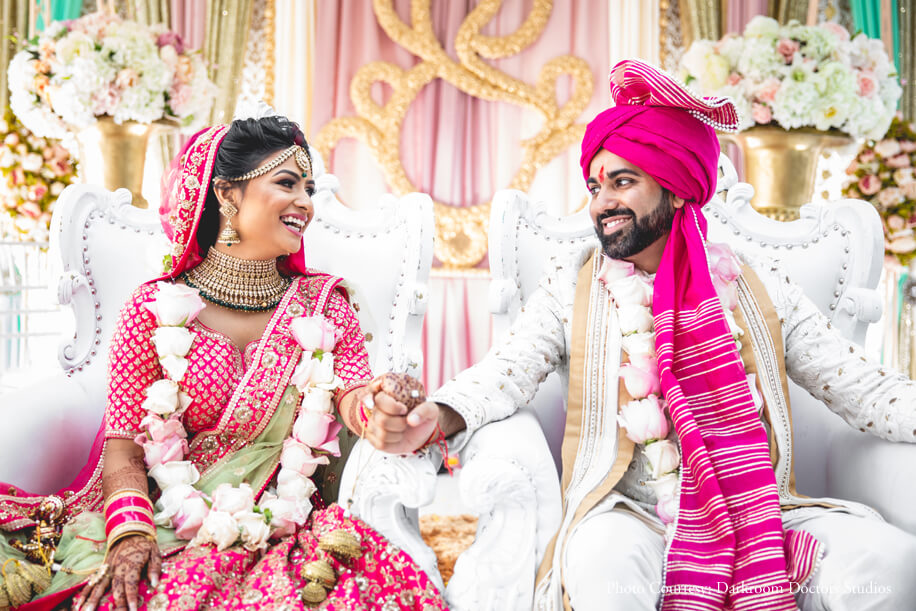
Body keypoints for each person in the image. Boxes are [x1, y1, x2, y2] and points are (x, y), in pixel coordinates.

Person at [370, 60, 916, 610]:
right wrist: (437, 414)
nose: (601, 202)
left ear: (676, 191)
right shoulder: (574, 286)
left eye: (622, 182)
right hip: (629, 512)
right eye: (595, 185)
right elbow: (505, 372)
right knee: (604, 565)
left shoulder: (757, 287)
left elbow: (863, 387)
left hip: (759, 512)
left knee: (887, 560)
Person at [0, 114, 447, 610]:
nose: (305, 202)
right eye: (287, 183)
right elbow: (122, 448)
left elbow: (352, 397)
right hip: (163, 514)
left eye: (309, 189)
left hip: (283, 522)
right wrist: (131, 535)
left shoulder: (324, 305)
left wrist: (382, 404)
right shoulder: (153, 309)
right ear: (226, 194)